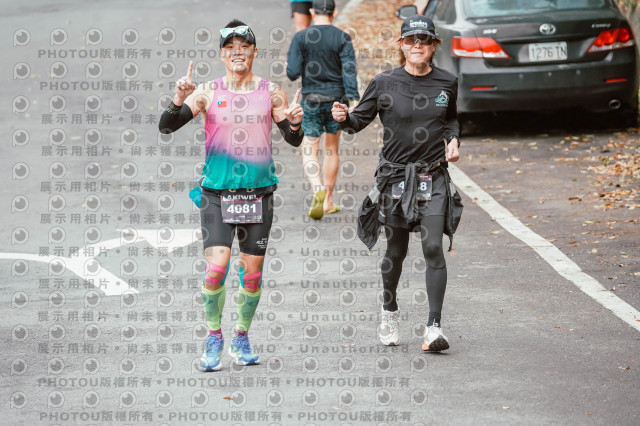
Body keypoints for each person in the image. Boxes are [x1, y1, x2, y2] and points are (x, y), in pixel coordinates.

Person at [158, 20, 304, 371]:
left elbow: (293, 139)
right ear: (222, 54)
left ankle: (241, 336)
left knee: (251, 275)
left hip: (258, 194)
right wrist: (178, 99)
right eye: (230, 47)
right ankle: (213, 337)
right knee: (216, 268)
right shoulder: (207, 92)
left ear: (254, 52)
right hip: (217, 194)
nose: (237, 52)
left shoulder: (271, 92)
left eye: (244, 46)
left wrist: (296, 123)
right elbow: (166, 126)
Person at [331, 15, 462, 352]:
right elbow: (358, 121)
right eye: (411, 40)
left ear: (433, 45)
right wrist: (344, 118)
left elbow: (450, 120)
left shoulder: (447, 82)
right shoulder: (384, 83)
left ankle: (433, 327)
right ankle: (389, 311)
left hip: (433, 175)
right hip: (395, 179)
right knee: (396, 251)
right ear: (402, 45)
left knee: (433, 247)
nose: (417, 45)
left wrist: (453, 139)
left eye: (424, 40)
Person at [286, 0, 360, 219]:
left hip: (311, 99)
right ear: (334, 13)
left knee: (309, 147)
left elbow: (292, 73)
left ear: (311, 11)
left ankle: (317, 187)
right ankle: (328, 201)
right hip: (337, 99)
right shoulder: (342, 37)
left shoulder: (301, 37)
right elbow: (349, 70)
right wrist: (353, 98)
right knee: (332, 149)